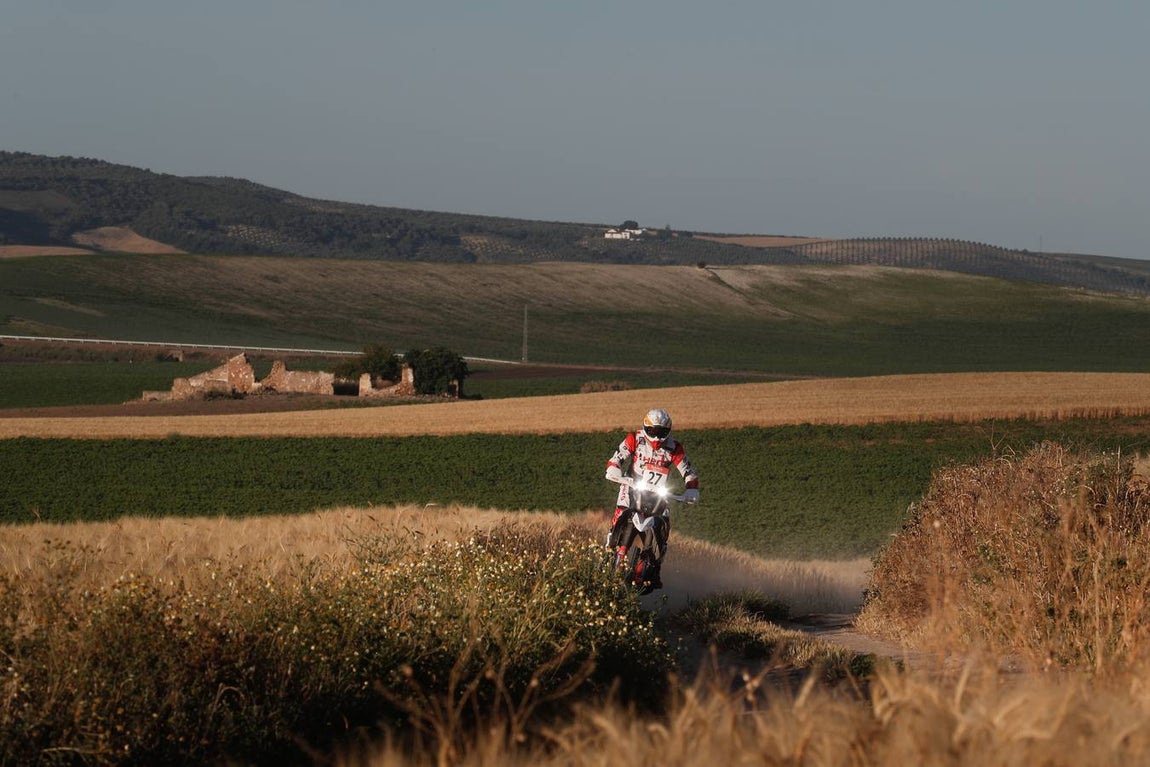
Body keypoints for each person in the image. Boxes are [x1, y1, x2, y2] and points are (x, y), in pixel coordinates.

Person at [604, 408, 700, 589]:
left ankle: (656, 566)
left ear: (668, 431)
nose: (656, 437)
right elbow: (617, 457)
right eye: (653, 431)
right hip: (633, 485)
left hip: (658, 492)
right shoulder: (635, 439)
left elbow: (688, 471)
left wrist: (691, 489)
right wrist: (614, 468)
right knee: (621, 512)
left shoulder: (674, 448)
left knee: (664, 522)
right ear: (645, 427)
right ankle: (610, 549)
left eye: (661, 432)